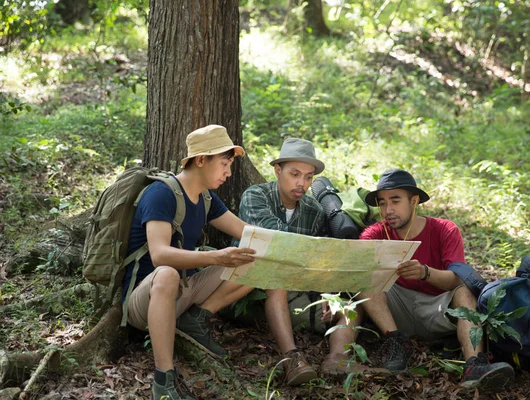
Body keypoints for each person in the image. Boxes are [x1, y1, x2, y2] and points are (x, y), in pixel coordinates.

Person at [234, 138, 386, 386]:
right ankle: (291, 359)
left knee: (353, 305)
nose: (301, 183)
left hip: (295, 292)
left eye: (308, 177)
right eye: (294, 174)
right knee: (276, 273)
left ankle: (337, 357)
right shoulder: (256, 196)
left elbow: (318, 258)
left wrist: (327, 292)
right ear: (277, 170)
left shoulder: (313, 210)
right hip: (247, 291)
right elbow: (278, 243)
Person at [122, 125, 257, 400]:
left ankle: (195, 320)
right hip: (144, 301)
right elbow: (159, 255)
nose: (229, 173)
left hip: (184, 293)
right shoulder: (161, 194)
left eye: (230, 165)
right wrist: (215, 257)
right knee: (168, 274)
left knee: (253, 261)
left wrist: (295, 245)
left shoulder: (207, 198)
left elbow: (248, 234)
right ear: (200, 160)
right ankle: (164, 380)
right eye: (224, 164)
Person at [358, 168, 515, 393]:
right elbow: (355, 270)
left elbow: (456, 279)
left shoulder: (444, 230)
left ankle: (474, 365)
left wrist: (425, 273)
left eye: (395, 201)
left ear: (414, 201)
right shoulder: (375, 233)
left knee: (463, 289)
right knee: (365, 278)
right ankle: (397, 343)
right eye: (382, 203)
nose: (388, 210)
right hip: (395, 311)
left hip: (437, 310)